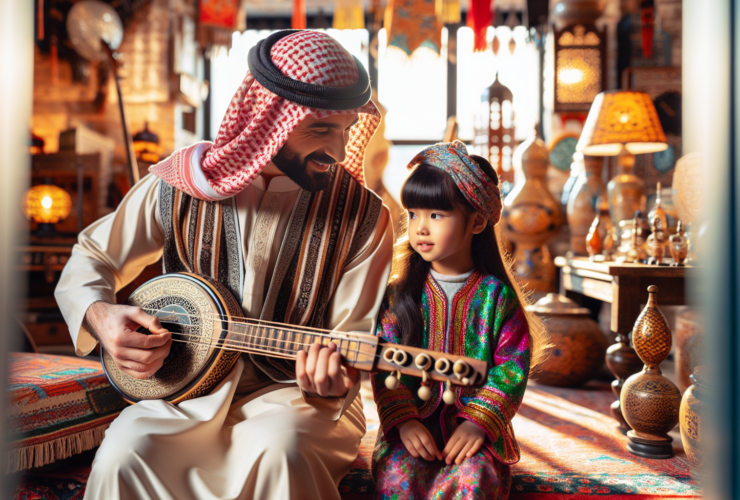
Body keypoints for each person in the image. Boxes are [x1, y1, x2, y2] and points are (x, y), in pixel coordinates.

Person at [54, 29, 393, 500]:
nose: (337, 151)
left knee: (282, 450)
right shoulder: (180, 185)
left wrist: (329, 384)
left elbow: (350, 335)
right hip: (183, 391)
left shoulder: (364, 216)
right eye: (320, 130)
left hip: (298, 401)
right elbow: (93, 255)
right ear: (267, 118)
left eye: (346, 130)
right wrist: (102, 315)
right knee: (127, 450)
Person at [370, 141, 550, 499]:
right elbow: (384, 362)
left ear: (478, 221)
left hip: (476, 434)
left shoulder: (496, 297)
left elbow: (510, 369)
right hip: (412, 427)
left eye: (436, 215)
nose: (420, 228)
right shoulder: (399, 294)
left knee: (473, 481)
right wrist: (403, 420)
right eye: (414, 214)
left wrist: (478, 425)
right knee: (398, 480)